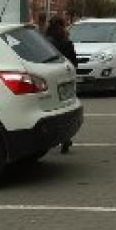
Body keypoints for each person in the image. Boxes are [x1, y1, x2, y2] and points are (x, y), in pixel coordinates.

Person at [45, 15, 77, 153]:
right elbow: (74, 63)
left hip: (51, 79)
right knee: (66, 109)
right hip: (66, 79)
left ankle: (50, 138)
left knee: (51, 110)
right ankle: (66, 138)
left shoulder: (45, 42)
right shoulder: (66, 42)